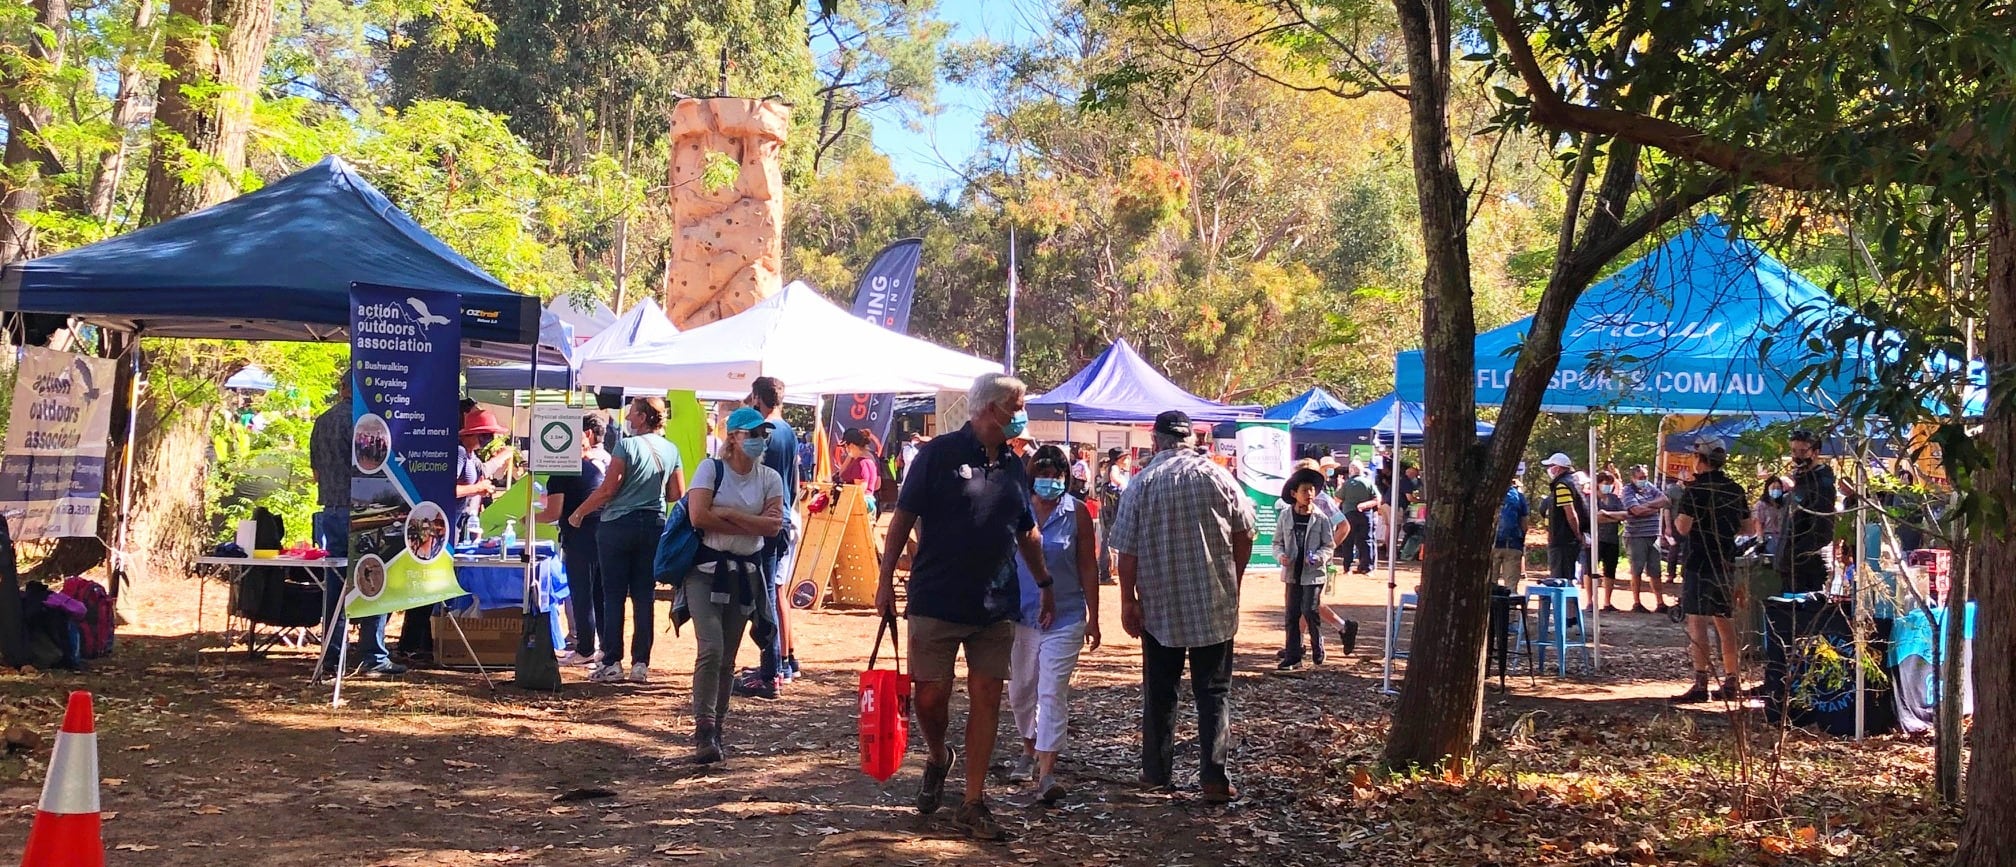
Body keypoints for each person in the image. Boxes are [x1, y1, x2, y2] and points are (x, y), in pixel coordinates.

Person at [874, 372, 1055, 841]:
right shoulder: (936, 456)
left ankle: (974, 801)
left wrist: (1044, 581)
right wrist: (884, 581)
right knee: (929, 697)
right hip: (936, 598)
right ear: (991, 410)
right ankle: (938, 757)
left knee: (987, 697)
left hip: (995, 605)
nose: (1021, 415)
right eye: (1017, 406)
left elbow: (1026, 531)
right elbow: (902, 520)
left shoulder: (1016, 466)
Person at [1111, 410, 1257, 804]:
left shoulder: (1141, 484)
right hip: (1213, 602)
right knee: (1214, 692)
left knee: (1161, 691)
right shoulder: (1219, 477)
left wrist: (1128, 600)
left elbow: (1126, 552)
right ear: (1191, 439)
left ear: (1155, 441)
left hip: (1160, 607)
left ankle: (1156, 774)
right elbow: (1246, 534)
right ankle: (1213, 777)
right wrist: (1234, 580)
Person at [681, 407, 786, 763]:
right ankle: (703, 728)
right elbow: (699, 515)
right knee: (710, 648)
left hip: (745, 574)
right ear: (734, 437)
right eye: (752, 434)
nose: (759, 440)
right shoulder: (711, 469)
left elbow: (773, 528)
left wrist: (727, 515)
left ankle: (717, 731)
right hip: (704, 572)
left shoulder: (770, 478)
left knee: (727, 657)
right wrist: (752, 523)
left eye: (762, 434)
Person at [1004, 445, 1100, 803]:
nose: (1050, 481)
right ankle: (1028, 748)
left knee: (1051, 690)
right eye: (1043, 475)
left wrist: (1094, 615)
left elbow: (1088, 565)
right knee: (1021, 690)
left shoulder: (1077, 514)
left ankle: (1047, 771)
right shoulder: (1018, 510)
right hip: (1021, 615)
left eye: (1056, 475)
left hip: (1066, 615)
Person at [569, 397, 684, 684]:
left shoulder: (626, 445)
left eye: (632, 413)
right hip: (654, 524)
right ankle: (641, 664)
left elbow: (609, 488)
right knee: (644, 596)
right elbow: (676, 492)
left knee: (613, 595)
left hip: (618, 526)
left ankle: (612, 661)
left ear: (643, 417)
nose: (628, 418)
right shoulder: (671, 449)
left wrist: (580, 512)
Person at [309, 371, 400, 678]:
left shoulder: (322, 421)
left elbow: (316, 472)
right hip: (363, 510)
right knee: (373, 578)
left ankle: (333, 654)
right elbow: (374, 468)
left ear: (341, 388)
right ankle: (373, 656)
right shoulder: (365, 422)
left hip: (331, 510)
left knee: (335, 584)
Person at [1671, 436, 1756, 702]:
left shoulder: (1695, 491)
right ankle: (1732, 680)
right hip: (1725, 561)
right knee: (1725, 621)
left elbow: (1682, 527)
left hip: (1699, 562)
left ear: (1700, 459)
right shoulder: (1735, 489)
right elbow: (1749, 528)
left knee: (1697, 621)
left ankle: (1700, 682)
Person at [733, 377, 802, 700]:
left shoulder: (765, 432)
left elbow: (748, 474)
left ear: (758, 397)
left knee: (762, 598)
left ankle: (770, 670)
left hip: (766, 522)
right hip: (784, 515)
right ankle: (778, 664)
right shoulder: (787, 430)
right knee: (772, 593)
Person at [537, 412, 611, 666]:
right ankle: (604, 647)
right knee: (600, 594)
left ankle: (585, 649)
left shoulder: (560, 474)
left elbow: (552, 513)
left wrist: (529, 518)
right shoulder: (592, 468)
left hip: (580, 537)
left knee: (581, 592)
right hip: (602, 535)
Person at [1273, 468, 1340, 670]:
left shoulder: (1321, 518)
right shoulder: (1285, 516)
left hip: (1314, 574)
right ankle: (1293, 656)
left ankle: (1317, 645)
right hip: (1292, 574)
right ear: (1294, 494)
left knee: (1310, 610)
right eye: (1304, 490)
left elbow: (1329, 545)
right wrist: (1280, 556)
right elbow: (1277, 543)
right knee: (1292, 614)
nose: (1309, 494)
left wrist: (1319, 558)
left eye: (1312, 490)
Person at [1783, 429, 1837, 593]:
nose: (1797, 456)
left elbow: (1823, 530)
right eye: (1794, 451)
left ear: (1815, 453)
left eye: (1802, 451)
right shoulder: (1801, 480)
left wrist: (1796, 554)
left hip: (1807, 567)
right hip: (1791, 565)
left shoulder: (1822, 485)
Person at [1619, 465, 1671, 612]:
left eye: (1645, 477)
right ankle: (1637, 602)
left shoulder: (1650, 487)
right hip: (1636, 536)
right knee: (1637, 569)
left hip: (1653, 535)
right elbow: (1635, 510)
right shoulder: (1627, 490)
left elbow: (1665, 500)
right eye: (1640, 478)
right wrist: (1654, 507)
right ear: (1633, 478)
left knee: (1655, 570)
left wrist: (1646, 505)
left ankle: (1660, 603)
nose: (1644, 480)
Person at [1541, 453, 1588, 586]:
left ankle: (1565, 607)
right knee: (1567, 577)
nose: (1549, 469)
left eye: (1551, 466)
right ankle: (1568, 606)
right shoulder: (1573, 482)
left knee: (1560, 580)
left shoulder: (1562, 485)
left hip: (1563, 540)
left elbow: (1571, 513)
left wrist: (1577, 534)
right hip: (1567, 539)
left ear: (1558, 468)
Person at [1095, 448, 1133, 585]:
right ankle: (1104, 574)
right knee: (1107, 539)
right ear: (1119, 459)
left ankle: (1105, 572)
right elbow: (1115, 479)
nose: (1128, 460)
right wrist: (1124, 485)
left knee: (1107, 539)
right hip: (1110, 511)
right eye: (1125, 458)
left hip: (1110, 510)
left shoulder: (1116, 468)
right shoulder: (1114, 468)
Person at [1592, 471, 1628, 611]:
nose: (1607, 486)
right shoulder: (1592, 499)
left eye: (1610, 484)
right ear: (1598, 483)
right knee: (1591, 570)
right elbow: (1594, 517)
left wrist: (1606, 514)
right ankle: (1591, 601)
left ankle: (1607, 602)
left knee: (1610, 570)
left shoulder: (1614, 499)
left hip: (1612, 539)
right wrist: (1614, 517)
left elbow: (1624, 515)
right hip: (1596, 539)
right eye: (1605, 483)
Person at [1334, 461, 1377, 574]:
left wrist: (1339, 485)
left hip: (1349, 514)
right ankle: (1367, 567)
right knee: (1366, 541)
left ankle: (1347, 567)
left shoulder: (1347, 484)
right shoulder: (1368, 483)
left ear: (1351, 471)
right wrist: (1365, 505)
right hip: (1366, 515)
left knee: (1348, 541)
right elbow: (1377, 499)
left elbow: (1337, 499)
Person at [1491, 475, 1529, 589]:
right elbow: (1524, 523)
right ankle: (1509, 604)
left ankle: (1491, 605)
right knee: (1511, 586)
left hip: (1492, 545)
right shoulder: (1519, 496)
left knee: (1489, 585)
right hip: (1513, 545)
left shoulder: (1489, 494)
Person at [837, 427, 883, 505]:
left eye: (845, 446)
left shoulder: (861, 463)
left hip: (857, 505)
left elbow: (860, 491)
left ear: (851, 445)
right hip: (868, 502)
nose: (844, 449)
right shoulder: (868, 460)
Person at [1754, 475, 1790, 557]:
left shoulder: (1784, 504)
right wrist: (1760, 539)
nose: (1776, 490)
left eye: (1778, 488)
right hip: (1768, 536)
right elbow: (1758, 522)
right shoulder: (1761, 505)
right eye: (1773, 488)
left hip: (1783, 536)